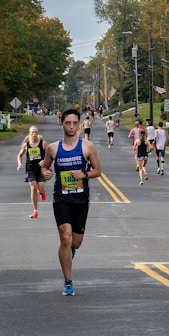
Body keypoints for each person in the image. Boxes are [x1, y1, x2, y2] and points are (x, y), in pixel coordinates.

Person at [41, 108, 101, 296]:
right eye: (68, 123)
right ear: (62, 124)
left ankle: (68, 253)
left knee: (75, 243)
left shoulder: (88, 147)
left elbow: (98, 171)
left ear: (79, 124)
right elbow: (45, 168)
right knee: (65, 237)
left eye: (75, 123)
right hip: (61, 198)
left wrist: (84, 174)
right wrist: (46, 173)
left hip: (81, 199)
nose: (71, 126)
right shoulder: (53, 148)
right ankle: (68, 282)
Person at [17, 126, 48, 218]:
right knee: (33, 187)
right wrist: (19, 164)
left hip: (41, 170)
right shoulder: (26, 145)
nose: (34, 134)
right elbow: (19, 155)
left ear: (38, 133)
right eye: (32, 132)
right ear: (29, 134)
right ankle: (35, 211)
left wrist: (45, 161)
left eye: (36, 132)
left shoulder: (43, 143)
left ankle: (42, 192)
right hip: (30, 170)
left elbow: (50, 155)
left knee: (41, 189)